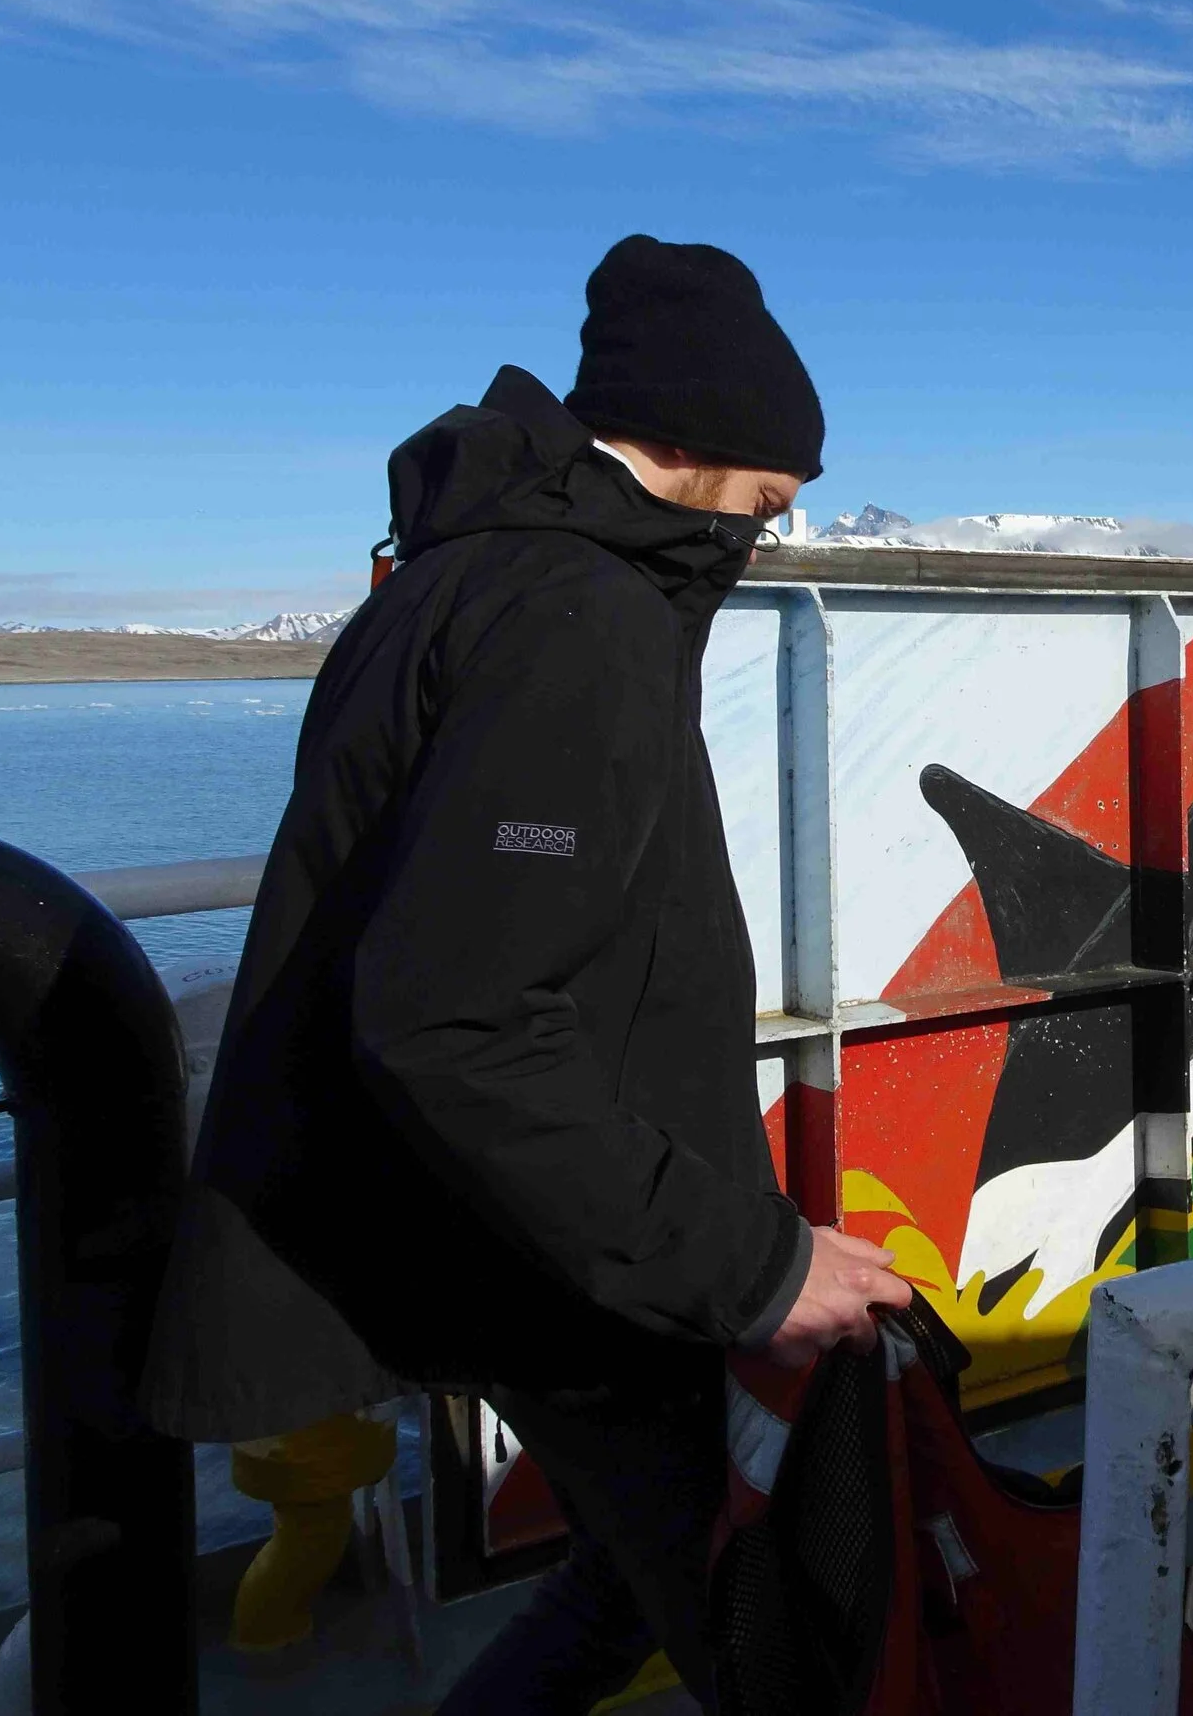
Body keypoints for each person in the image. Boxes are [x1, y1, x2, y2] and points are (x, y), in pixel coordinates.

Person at [144, 234, 914, 1710]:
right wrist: (751, 1264)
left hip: (523, 1225)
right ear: (692, 438)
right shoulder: (580, 617)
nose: (772, 531)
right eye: (768, 500)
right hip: (580, 1266)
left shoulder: (459, 575)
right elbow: (456, 1019)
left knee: (623, 1581)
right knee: (783, 1638)